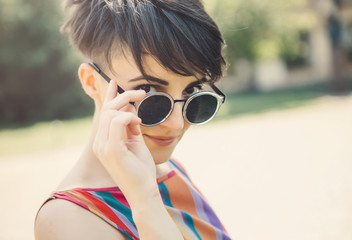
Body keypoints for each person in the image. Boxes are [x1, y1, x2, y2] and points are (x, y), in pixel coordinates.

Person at [34, 0, 230, 239]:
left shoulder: (169, 170)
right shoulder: (68, 219)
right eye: (148, 92)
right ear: (91, 82)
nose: (177, 124)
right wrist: (145, 202)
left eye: (193, 90)